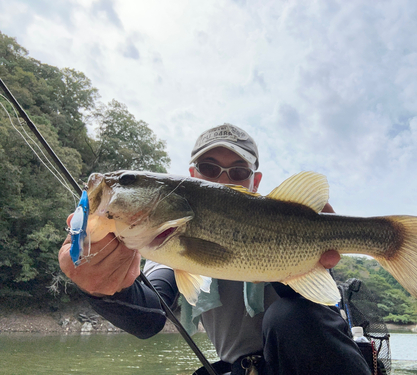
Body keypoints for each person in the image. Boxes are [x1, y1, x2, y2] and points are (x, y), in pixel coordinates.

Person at [59, 123, 371, 375]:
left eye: (237, 172)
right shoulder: (164, 240)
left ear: (255, 180)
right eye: (209, 168)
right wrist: (105, 290)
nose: (222, 179)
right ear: (192, 175)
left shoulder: (284, 217)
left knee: (290, 316)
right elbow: (149, 316)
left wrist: (283, 260)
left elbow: (312, 316)